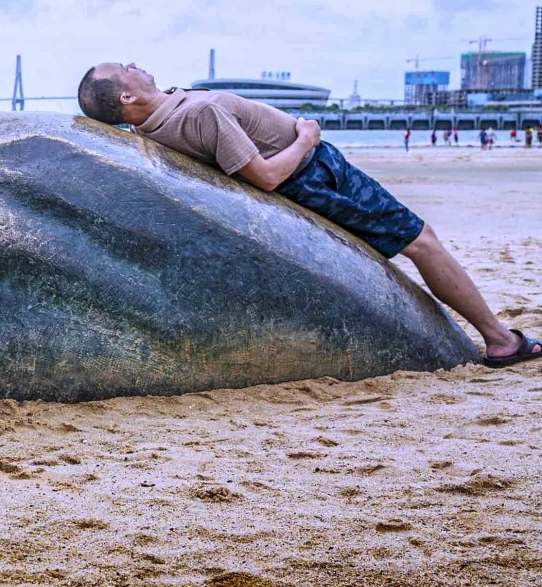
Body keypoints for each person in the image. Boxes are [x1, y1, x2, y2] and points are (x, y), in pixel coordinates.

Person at [78, 62, 541, 368]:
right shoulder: (202, 114)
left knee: (416, 243)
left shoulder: (159, 122)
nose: (134, 64)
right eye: (124, 69)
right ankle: (500, 340)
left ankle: (493, 332)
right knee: (421, 241)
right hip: (315, 173)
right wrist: (306, 136)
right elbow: (265, 177)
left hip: (314, 171)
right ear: (125, 100)